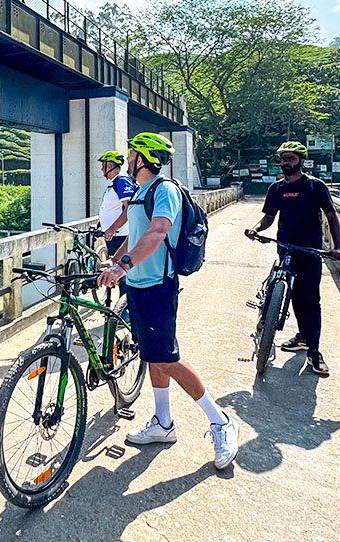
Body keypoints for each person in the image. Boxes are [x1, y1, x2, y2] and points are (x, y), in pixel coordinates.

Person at [98, 132, 239, 470]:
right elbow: (136, 234)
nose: (127, 159)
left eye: (131, 154)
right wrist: (114, 261)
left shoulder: (165, 190)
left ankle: (221, 421)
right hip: (137, 285)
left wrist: (123, 266)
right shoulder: (140, 192)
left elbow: (158, 231)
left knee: (168, 358)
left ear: (142, 158)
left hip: (158, 285)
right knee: (153, 356)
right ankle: (163, 423)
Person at [244, 141, 340, 376]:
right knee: (289, 293)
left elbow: (332, 217)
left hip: (310, 251)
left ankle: (314, 350)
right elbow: (269, 218)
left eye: (290, 158)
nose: (285, 162)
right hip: (285, 247)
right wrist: (255, 229)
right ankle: (296, 332)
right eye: (283, 159)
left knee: (309, 300)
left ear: (301, 160)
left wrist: (338, 247)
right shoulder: (276, 189)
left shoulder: (315, 186)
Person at [97, 150, 136, 296]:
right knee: (116, 273)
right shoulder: (113, 184)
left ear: (110, 166)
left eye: (103, 165)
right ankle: (119, 303)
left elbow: (129, 208)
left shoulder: (122, 181)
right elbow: (111, 209)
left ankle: (124, 305)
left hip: (121, 236)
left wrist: (113, 228)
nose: (101, 169)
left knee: (122, 274)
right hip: (114, 236)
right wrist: (99, 224)